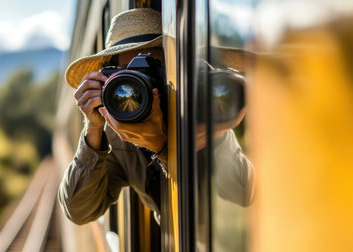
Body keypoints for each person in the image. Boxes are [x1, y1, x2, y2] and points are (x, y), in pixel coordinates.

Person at [58, 8, 253, 226]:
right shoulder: (115, 139)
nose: (145, 87)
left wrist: (163, 147)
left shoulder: (200, 120)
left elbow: (242, 197)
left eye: (156, 71)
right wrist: (93, 129)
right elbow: (79, 211)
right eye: (130, 77)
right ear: (109, 81)